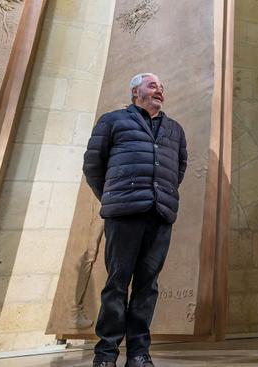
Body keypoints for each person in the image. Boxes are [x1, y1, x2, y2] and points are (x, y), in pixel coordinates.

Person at [83, 73, 187, 367]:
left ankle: (139, 353)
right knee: (117, 283)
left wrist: (161, 193)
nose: (159, 90)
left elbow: (179, 167)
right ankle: (106, 354)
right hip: (124, 215)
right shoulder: (113, 120)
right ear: (135, 91)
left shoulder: (174, 129)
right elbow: (93, 164)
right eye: (153, 85)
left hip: (160, 215)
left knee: (147, 285)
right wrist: (113, 196)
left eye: (162, 88)